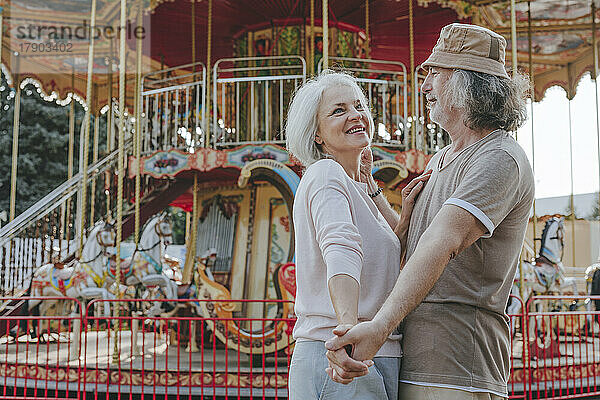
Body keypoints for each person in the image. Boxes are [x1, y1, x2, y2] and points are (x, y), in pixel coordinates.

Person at [324, 23, 534, 400]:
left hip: (457, 365)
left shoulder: (499, 157)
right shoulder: (443, 159)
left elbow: (442, 242)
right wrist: (370, 186)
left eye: (435, 74)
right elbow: (409, 244)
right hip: (415, 356)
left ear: (466, 83)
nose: (424, 86)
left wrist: (380, 326)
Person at [285, 71, 430, 400]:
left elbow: (396, 249)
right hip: (343, 353)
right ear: (317, 135)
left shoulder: (358, 187)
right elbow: (341, 249)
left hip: (377, 351)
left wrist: (380, 194)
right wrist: (347, 333)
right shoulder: (325, 173)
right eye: (338, 110)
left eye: (359, 105)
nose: (355, 115)